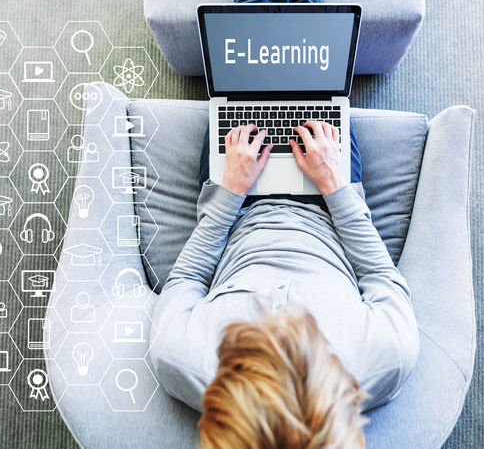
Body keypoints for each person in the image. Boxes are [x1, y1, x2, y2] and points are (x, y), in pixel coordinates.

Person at [148, 122, 419, 448]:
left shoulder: (178, 357)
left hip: (238, 206)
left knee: (234, 91)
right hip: (329, 204)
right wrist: (334, 186)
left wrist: (231, 190)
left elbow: (188, 279)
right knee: (322, 86)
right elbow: (379, 275)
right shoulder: (388, 356)